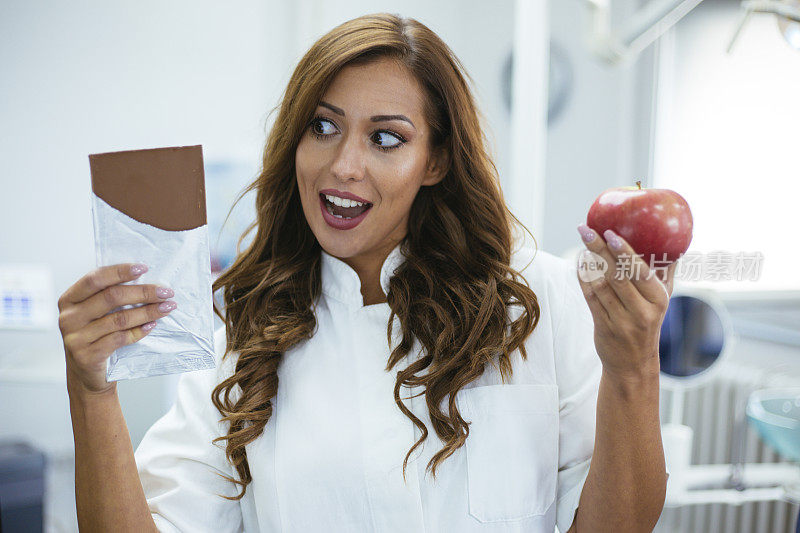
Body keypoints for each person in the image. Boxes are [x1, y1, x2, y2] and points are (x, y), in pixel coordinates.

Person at [58, 13, 675, 533]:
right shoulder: (242, 339)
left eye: (386, 138)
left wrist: (634, 369)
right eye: (322, 127)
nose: (343, 165)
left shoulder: (540, 298)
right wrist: (92, 391)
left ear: (434, 160)